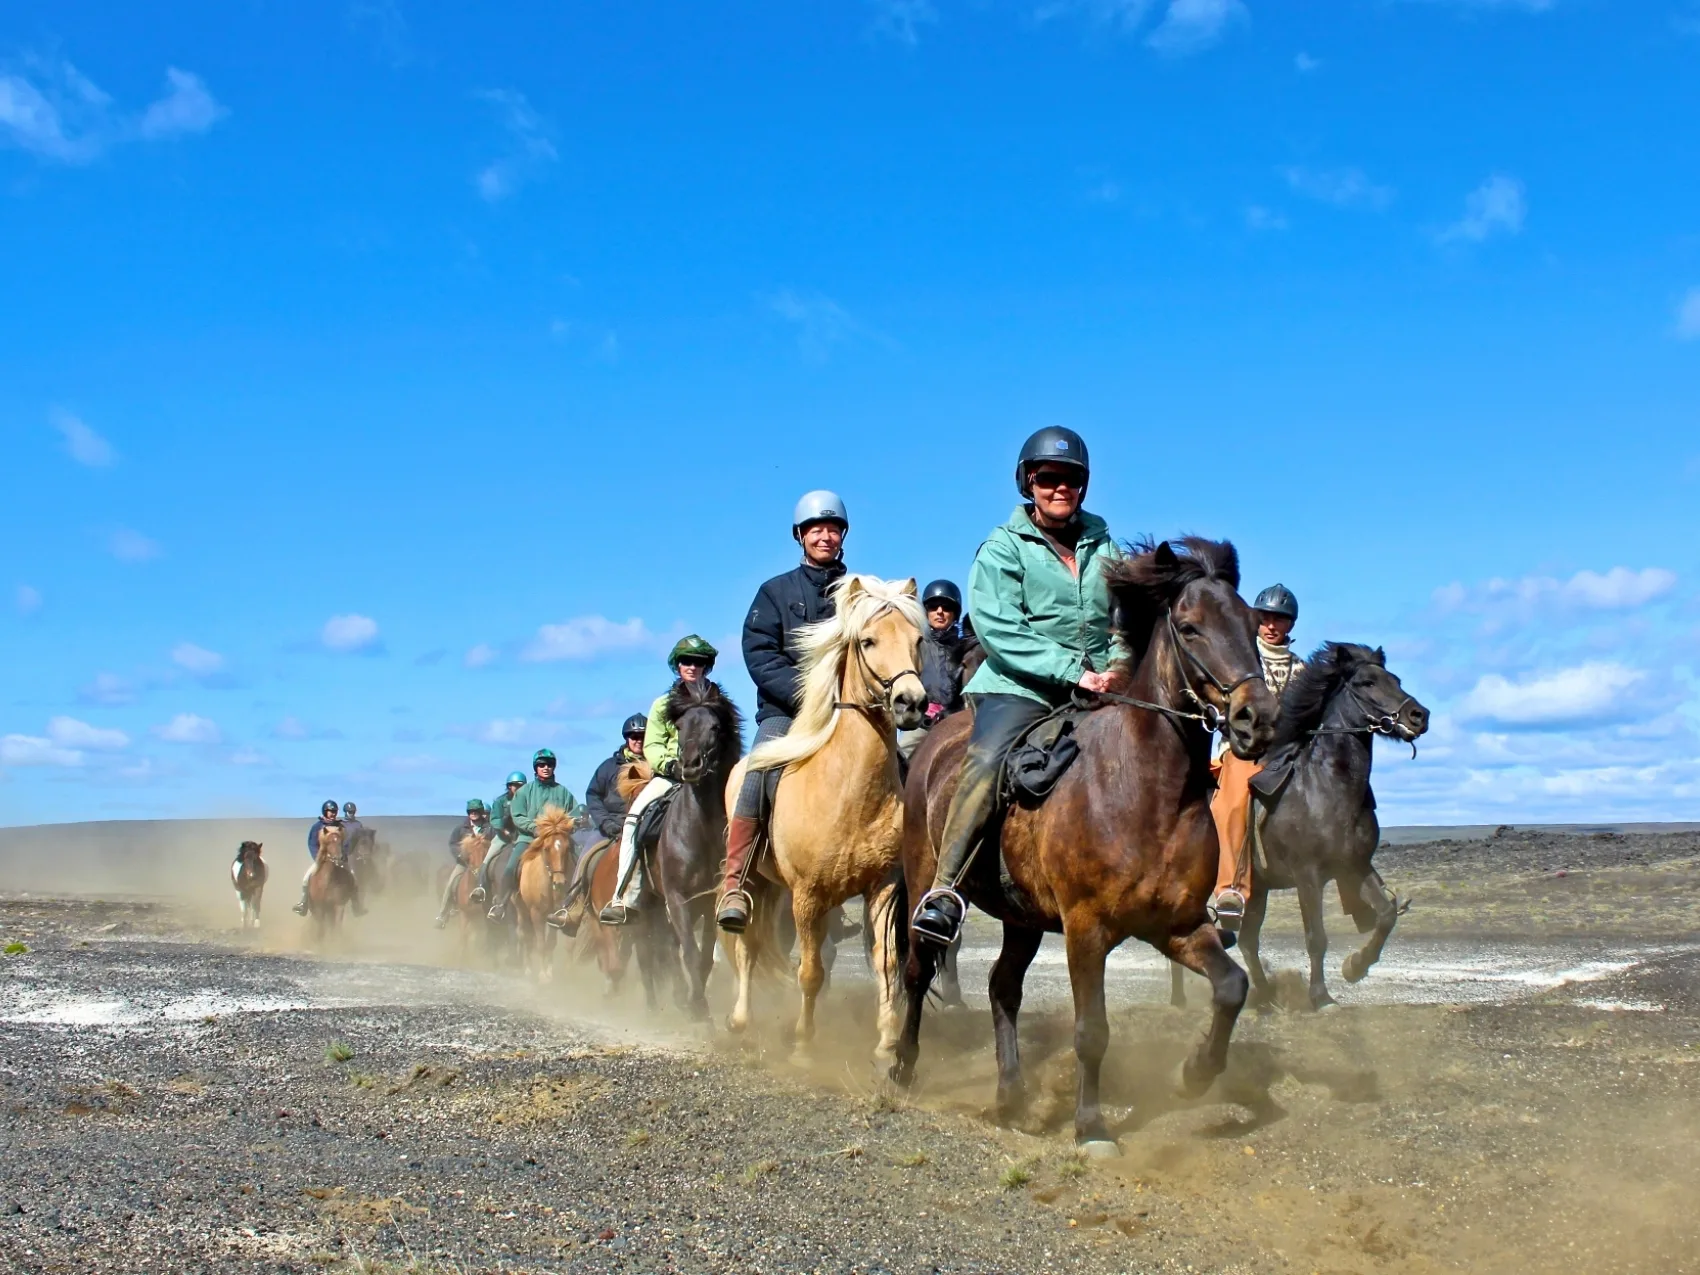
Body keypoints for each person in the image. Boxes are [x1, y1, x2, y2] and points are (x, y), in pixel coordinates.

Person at [911, 427, 1119, 949]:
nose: (1060, 487)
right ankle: (944, 889)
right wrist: (1073, 670)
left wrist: (1118, 665)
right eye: (1048, 478)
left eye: (1071, 479)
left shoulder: (1103, 543)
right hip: (1017, 685)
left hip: (1097, 684)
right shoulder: (1002, 548)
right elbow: (999, 628)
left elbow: (1124, 619)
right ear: (1029, 481)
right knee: (985, 760)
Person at [718, 490, 850, 933]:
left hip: (848, 712)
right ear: (800, 536)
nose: (825, 536)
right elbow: (759, 653)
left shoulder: (857, 593)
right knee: (758, 771)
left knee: (899, 770)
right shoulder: (773, 593)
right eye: (816, 529)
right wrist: (809, 695)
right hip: (786, 712)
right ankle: (735, 881)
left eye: (833, 529)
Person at [595, 636, 719, 926]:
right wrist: (671, 765)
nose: (692, 666)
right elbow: (652, 745)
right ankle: (624, 895)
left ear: (706, 667)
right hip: (670, 777)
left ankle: (740, 892)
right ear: (677, 666)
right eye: (686, 661)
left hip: (710, 779)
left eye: (699, 662)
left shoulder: (718, 703)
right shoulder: (663, 704)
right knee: (633, 821)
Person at [1209, 583, 1305, 934]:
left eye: (1279, 619)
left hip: (1288, 753)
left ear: (1290, 624)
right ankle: (1230, 891)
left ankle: (1357, 887)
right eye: (1264, 617)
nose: (1270, 625)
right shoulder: (1239, 659)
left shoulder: (1302, 669)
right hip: (1244, 749)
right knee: (1232, 804)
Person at [488, 749, 578, 922]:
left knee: (579, 858)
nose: (546, 768)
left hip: (557, 838)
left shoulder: (563, 792)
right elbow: (518, 816)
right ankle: (501, 904)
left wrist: (573, 822)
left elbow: (573, 812)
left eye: (549, 765)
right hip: (529, 838)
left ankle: (579, 904)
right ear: (535, 768)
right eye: (541, 765)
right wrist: (535, 828)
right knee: (510, 866)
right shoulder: (524, 792)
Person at [898, 578, 973, 761]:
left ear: (955, 614)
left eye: (946, 607)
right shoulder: (916, 645)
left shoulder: (965, 649)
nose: (940, 611)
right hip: (920, 724)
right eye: (933, 607)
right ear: (926, 612)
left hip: (955, 722)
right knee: (899, 759)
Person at [292, 799, 366, 917]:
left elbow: (346, 843)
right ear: (325, 812)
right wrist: (318, 857)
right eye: (330, 811)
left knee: (353, 878)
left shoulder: (340, 827)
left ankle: (356, 905)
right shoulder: (318, 826)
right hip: (322, 859)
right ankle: (303, 903)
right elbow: (311, 843)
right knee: (306, 878)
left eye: (334, 811)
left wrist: (343, 854)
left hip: (339, 859)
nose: (332, 814)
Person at [584, 715, 649, 844]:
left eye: (643, 737)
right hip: (613, 827)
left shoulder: (655, 767)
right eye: (635, 737)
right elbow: (593, 795)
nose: (639, 741)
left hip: (646, 827)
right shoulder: (608, 767)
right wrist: (606, 823)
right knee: (587, 852)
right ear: (627, 739)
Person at [470, 770, 527, 905]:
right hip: (503, 836)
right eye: (515, 785)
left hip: (524, 835)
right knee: (488, 858)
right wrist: (504, 830)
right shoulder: (500, 801)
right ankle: (481, 887)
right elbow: (495, 819)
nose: (517, 788)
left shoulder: (528, 801)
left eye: (521, 785)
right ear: (509, 786)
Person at [433, 799, 493, 929]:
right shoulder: (461, 829)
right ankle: (443, 915)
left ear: (481, 812)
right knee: (451, 883)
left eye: (476, 811)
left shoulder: (489, 828)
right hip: (465, 864)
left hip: (484, 864)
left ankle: (498, 909)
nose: (473, 813)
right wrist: (460, 855)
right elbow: (453, 843)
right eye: (471, 811)